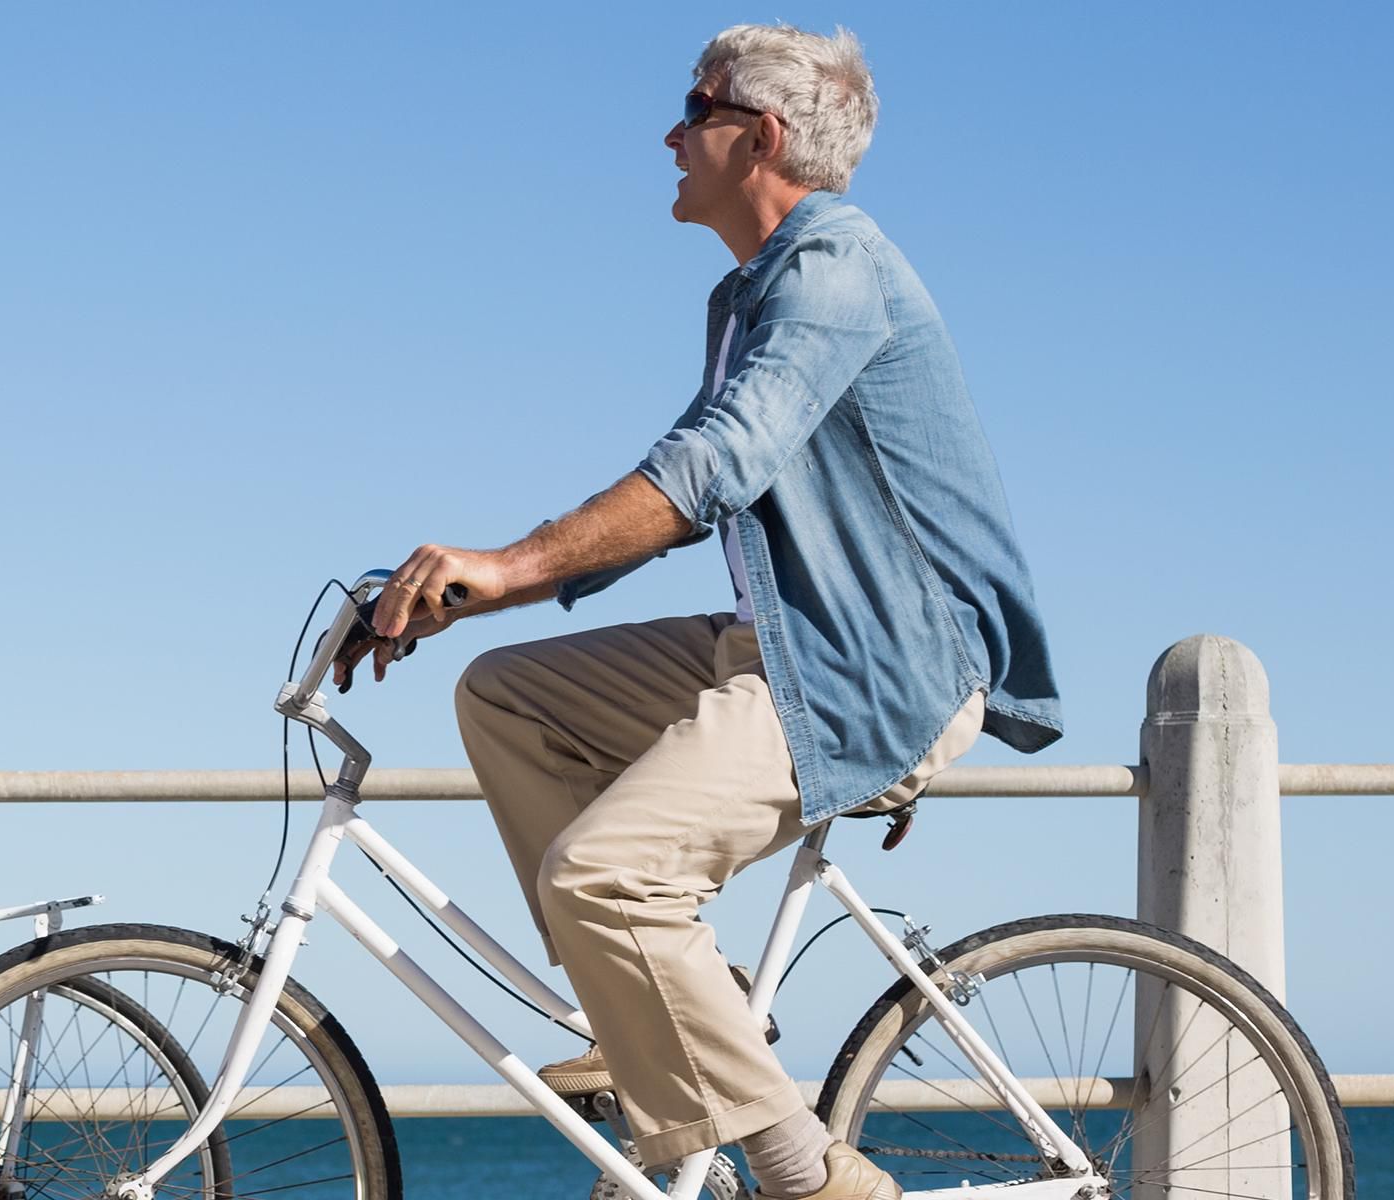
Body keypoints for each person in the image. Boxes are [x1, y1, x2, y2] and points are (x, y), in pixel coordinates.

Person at [340, 25, 1059, 1200]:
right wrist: (462, 602)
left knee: (605, 878)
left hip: (878, 670)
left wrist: (507, 567)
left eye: (695, 107)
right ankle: (666, 1022)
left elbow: (716, 467)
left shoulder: (834, 267)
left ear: (762, 136)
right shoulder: (747, 295)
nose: (670, 135)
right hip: (787, 645)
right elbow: (679, 469)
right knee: (508, 696)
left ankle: (804, 1174)